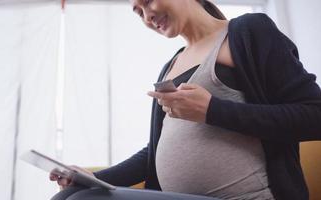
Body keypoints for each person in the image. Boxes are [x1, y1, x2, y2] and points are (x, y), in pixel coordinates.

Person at [50, 0, 321, 200]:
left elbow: (314, 116)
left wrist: (212, 110)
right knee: (71, 193)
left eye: (147, 2)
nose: (147, 16)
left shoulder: (247, 32)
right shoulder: (171, 65)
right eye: (138, 12)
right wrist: (92, 177)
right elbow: (153, 153)